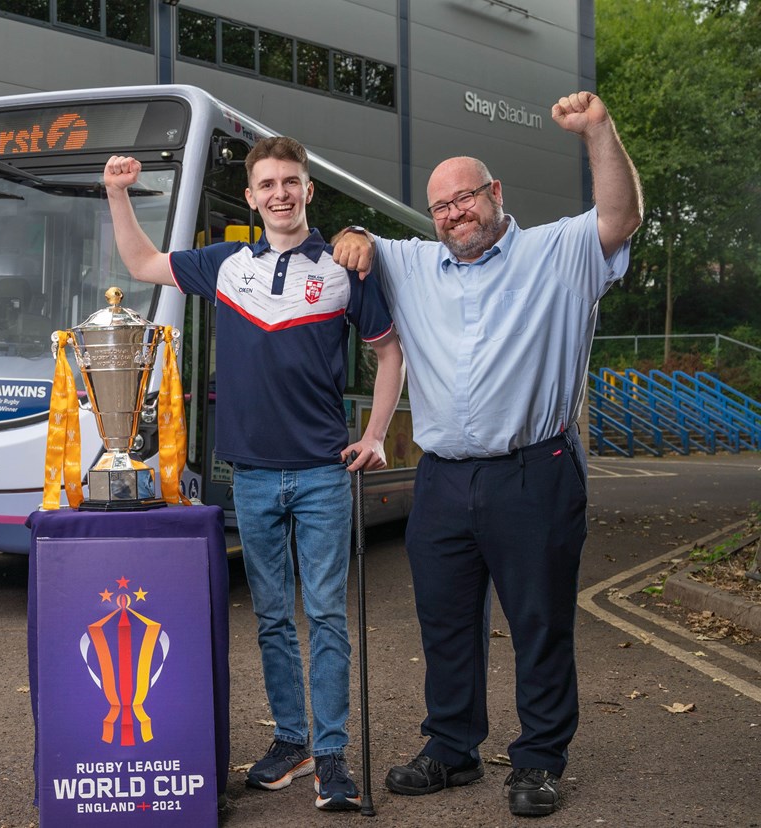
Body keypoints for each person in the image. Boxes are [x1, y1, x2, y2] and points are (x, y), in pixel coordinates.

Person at [331, 91, 642, 817]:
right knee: (443, 620)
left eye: (463, 199)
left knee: (538, 621)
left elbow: (621, 216)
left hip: (535, 472)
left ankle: (538, 761)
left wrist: (598, 129)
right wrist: (350, 232)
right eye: (440, 207)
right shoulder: (414, 263)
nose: (452, 215)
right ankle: (451, 746)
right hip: (442, 480)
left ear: (493, 193)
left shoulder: (557, 252)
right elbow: (362, 245)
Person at [103, 137, 405, 812]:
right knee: (271, 618)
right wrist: (118, 193)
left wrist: (377, 434)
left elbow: (389, 353)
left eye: (291, 181)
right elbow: (142, 261)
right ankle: (293, 742)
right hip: (253, 477)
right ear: (250, 196)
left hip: (325, 473)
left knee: (325, 616)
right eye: (267, 183)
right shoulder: (225, 264)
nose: (280, 193)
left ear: (307, 189)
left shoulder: (343, 267)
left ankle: (331, 757)